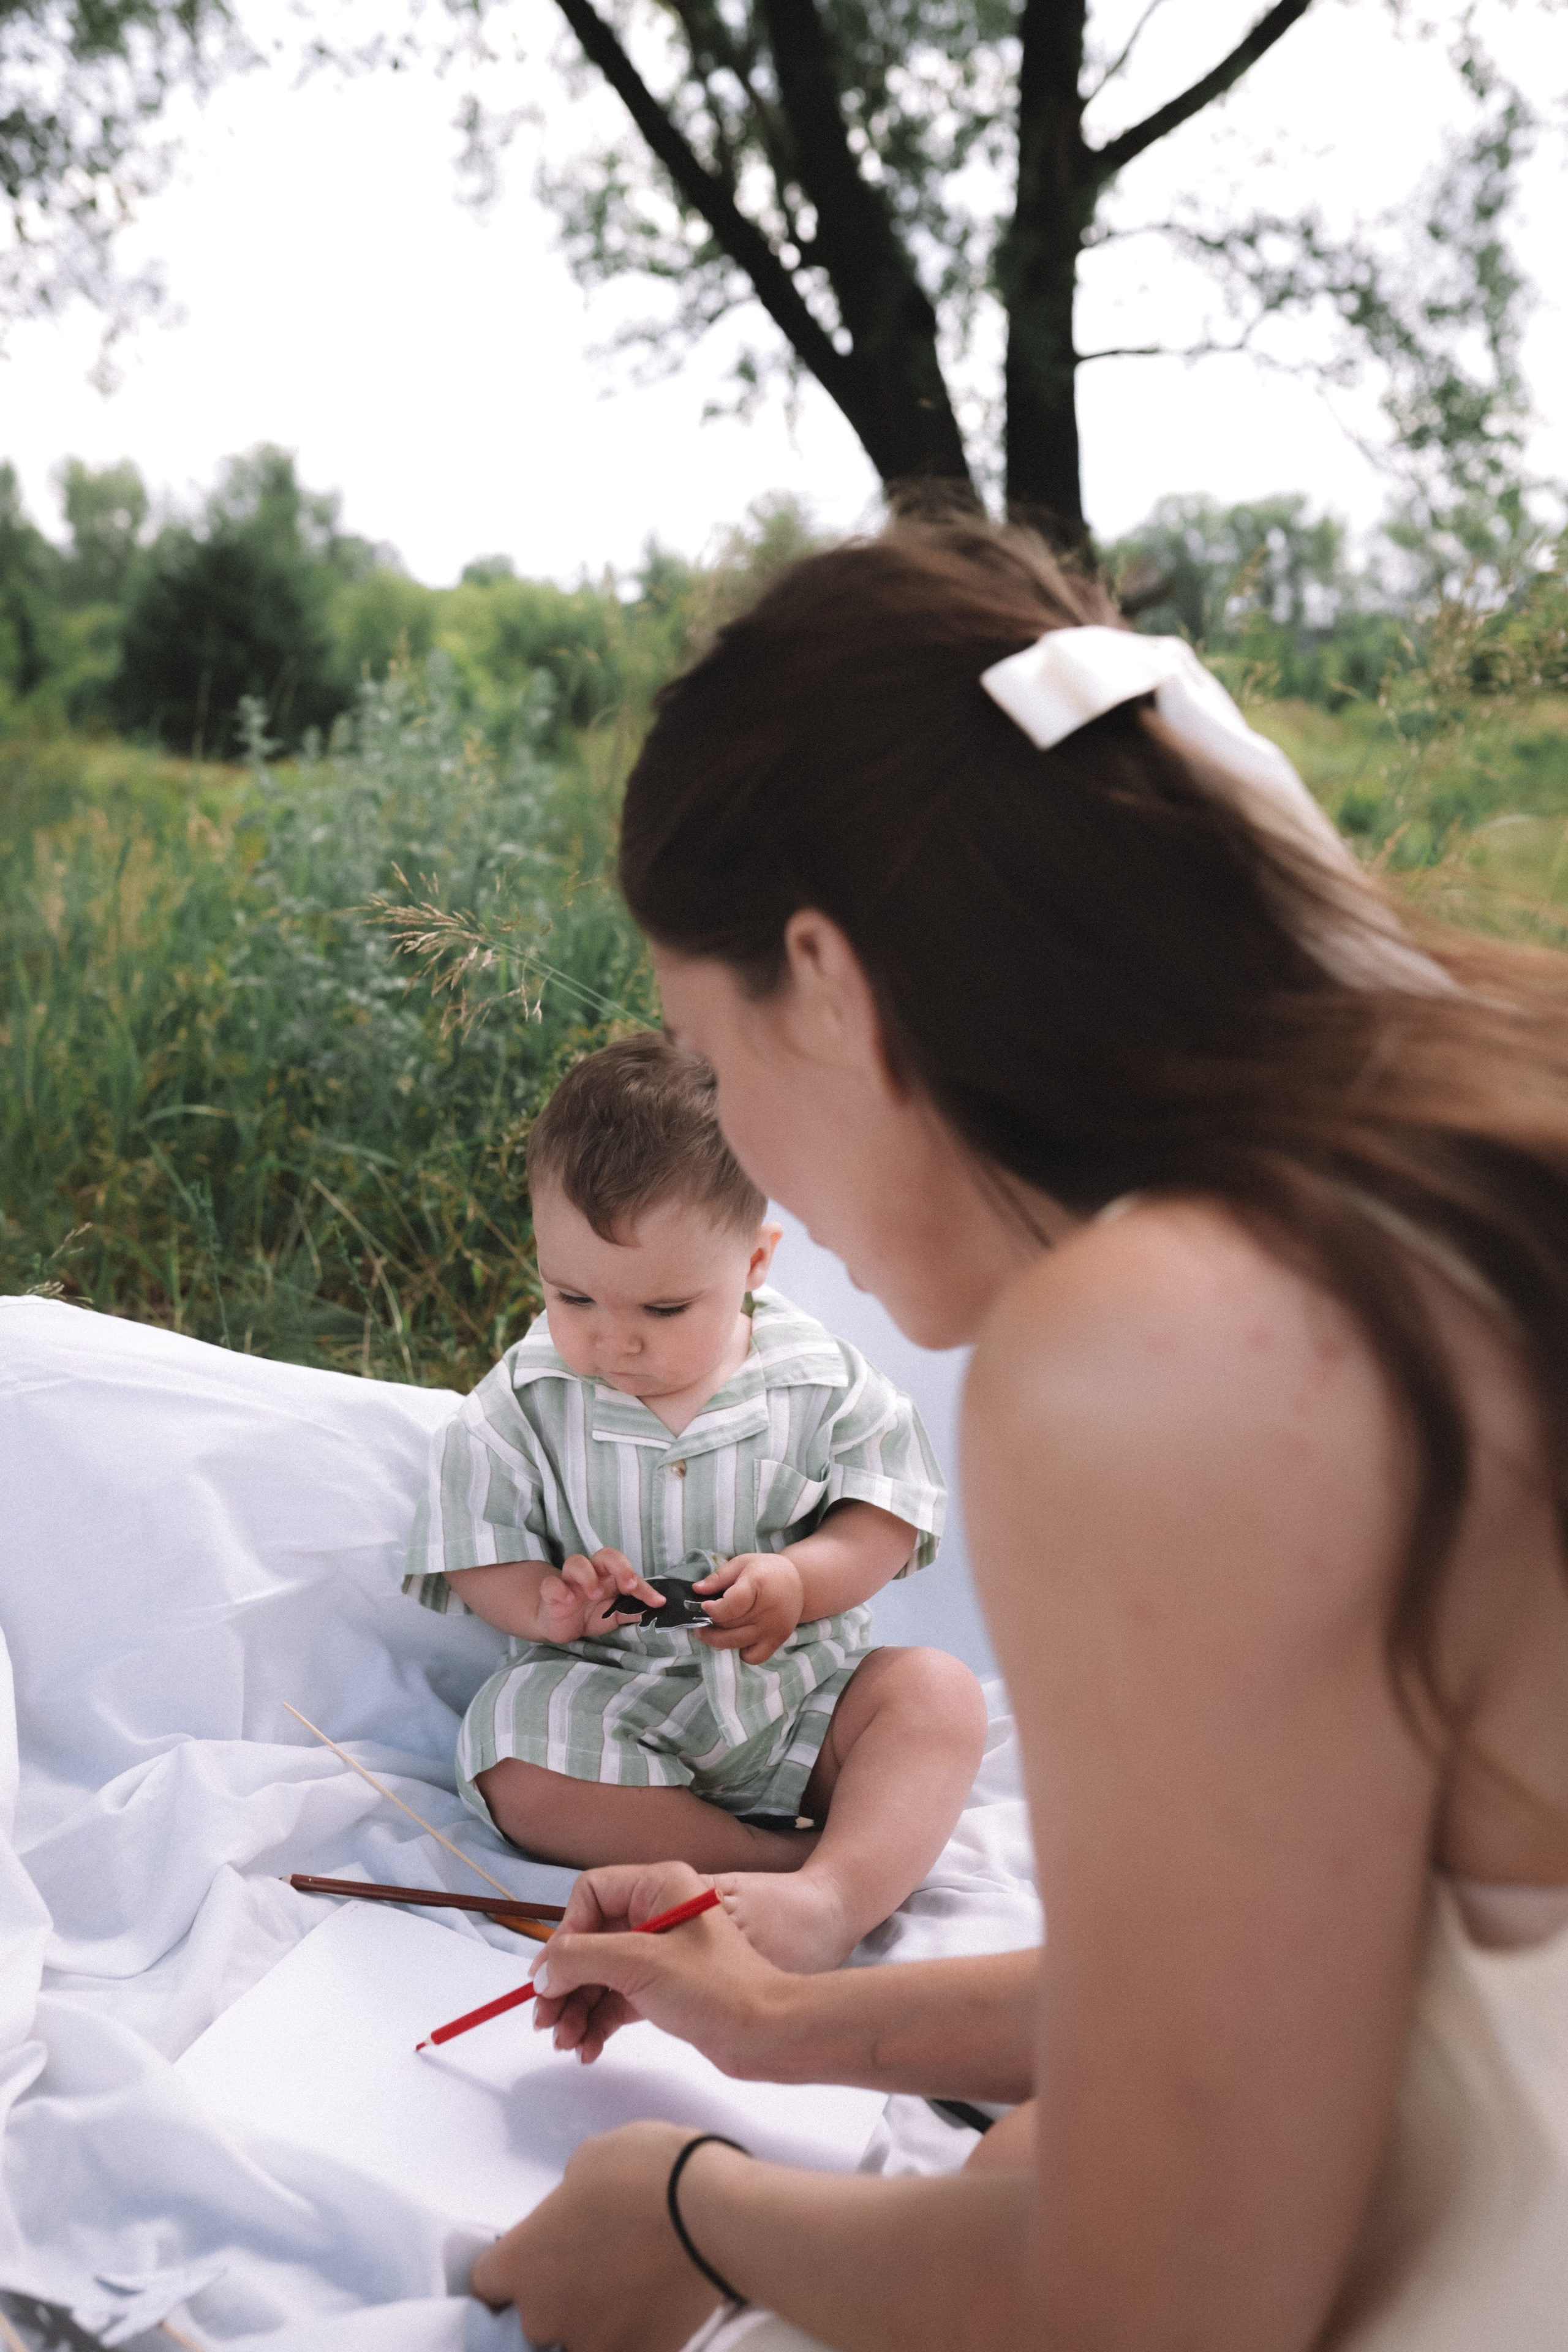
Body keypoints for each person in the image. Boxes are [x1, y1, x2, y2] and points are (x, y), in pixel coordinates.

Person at [466, 519, 1568, 2352]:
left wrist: (692, 2215)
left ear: (824, 977)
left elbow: (1168, 2305)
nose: (767, 1179)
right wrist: (787, 2012)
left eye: (717, 1061)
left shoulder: (1163, 1346)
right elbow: (1284, 1970)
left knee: (1005, 2192)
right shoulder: (1447, 1160)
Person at [402, 1033, 985, 1971]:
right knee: (510, 1756)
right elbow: (477, 1542)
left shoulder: (816, 1377)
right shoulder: (527, 1398)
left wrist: (800, 1580)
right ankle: (781, 1864)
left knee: (940, 1697)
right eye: (573, 1295)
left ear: (755, 1264)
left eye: (663, 1311)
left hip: (802, 1696)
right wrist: (543, 1603)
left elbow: (887, 1510)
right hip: (616, 1698)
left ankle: (836, 1897)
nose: (612, 1341)